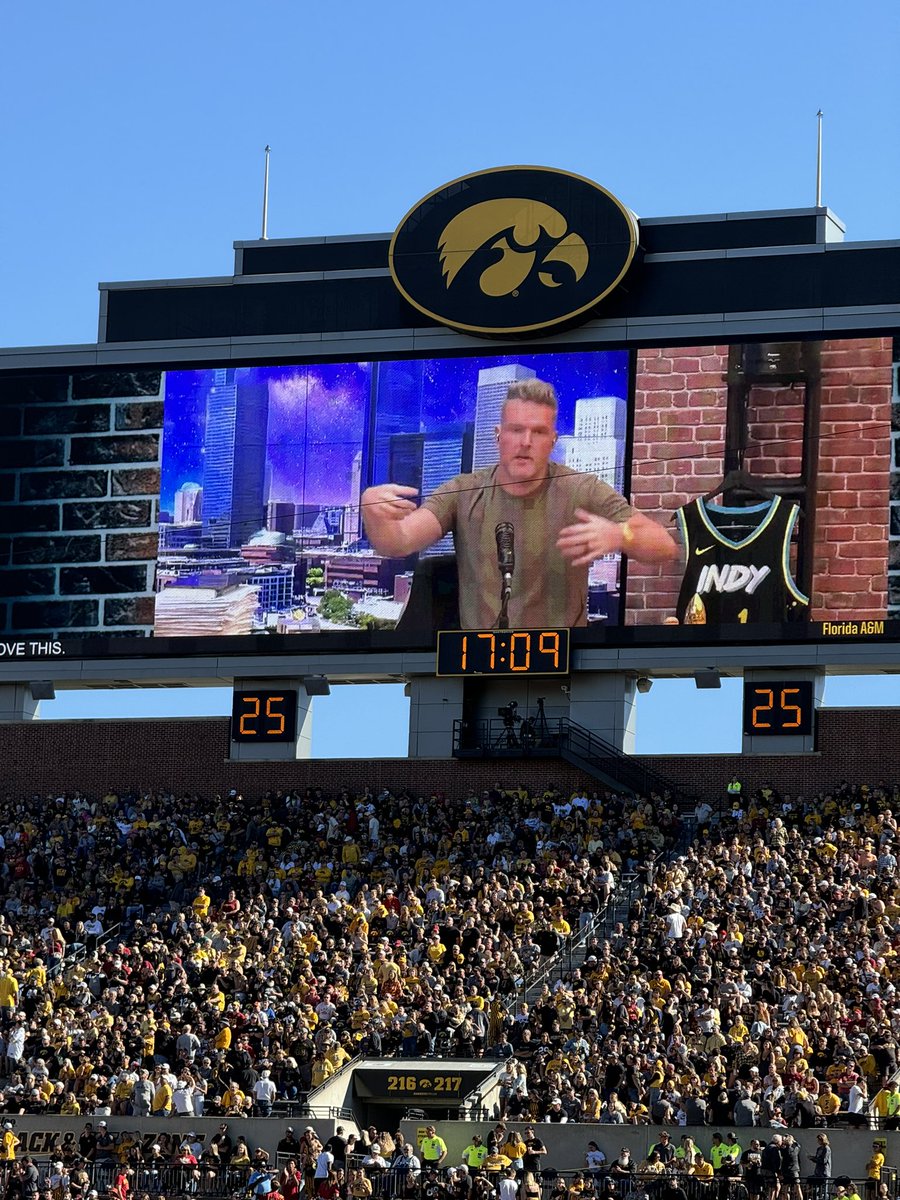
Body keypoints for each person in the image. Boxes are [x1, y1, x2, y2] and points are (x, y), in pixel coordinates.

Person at [361, 377, 677, 628]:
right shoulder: (464, 491)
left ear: (553, 440)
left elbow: (663, 545)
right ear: (499, 435)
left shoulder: (581, 489)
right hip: (476, 672)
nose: (525, 442)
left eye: (538, 432)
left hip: (562, 670)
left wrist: (622, 535)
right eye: (516, 430)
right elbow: (399, 542)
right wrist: (373, 512)